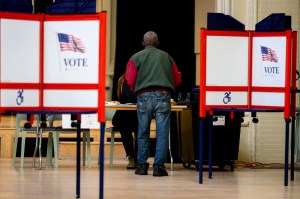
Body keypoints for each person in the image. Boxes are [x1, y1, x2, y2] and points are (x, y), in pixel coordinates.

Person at [125, 31, 181, 176]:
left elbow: (129, 79)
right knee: (162, 133)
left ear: (143, 44)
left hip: (143, 97)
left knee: (142, 132)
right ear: (157, 43)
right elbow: (177, 78)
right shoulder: (166, 56)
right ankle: (159, 167)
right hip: (163, 95)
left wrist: (137, 90)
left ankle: (142, 166)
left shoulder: (136, 57)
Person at [112, 72, 138, 169]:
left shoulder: (142, 79)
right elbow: (132, 96)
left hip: (137, 115)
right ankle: (131, 156)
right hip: (123, 115)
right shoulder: (123, 80)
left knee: (141, 129)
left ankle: (138, 157)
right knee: (125, 127)